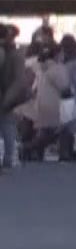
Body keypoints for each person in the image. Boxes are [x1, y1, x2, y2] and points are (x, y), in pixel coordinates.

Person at [23, 37, 73, 163]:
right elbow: (64, 87)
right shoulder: (57, 68)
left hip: (42, 102)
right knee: (60, 130)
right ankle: (63, 153)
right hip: (57, 103)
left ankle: (31, 149)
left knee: (47, 131)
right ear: (57, 54)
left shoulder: (41, 67)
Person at [0, 25, 28, 171]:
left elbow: (18, 80)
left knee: (7, 126)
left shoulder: (10, 54)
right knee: (8, 126)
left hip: (6, 96)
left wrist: (8, 99)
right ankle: (9, 158)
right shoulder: (14, 53)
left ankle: (8, 158)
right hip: (7, 96)